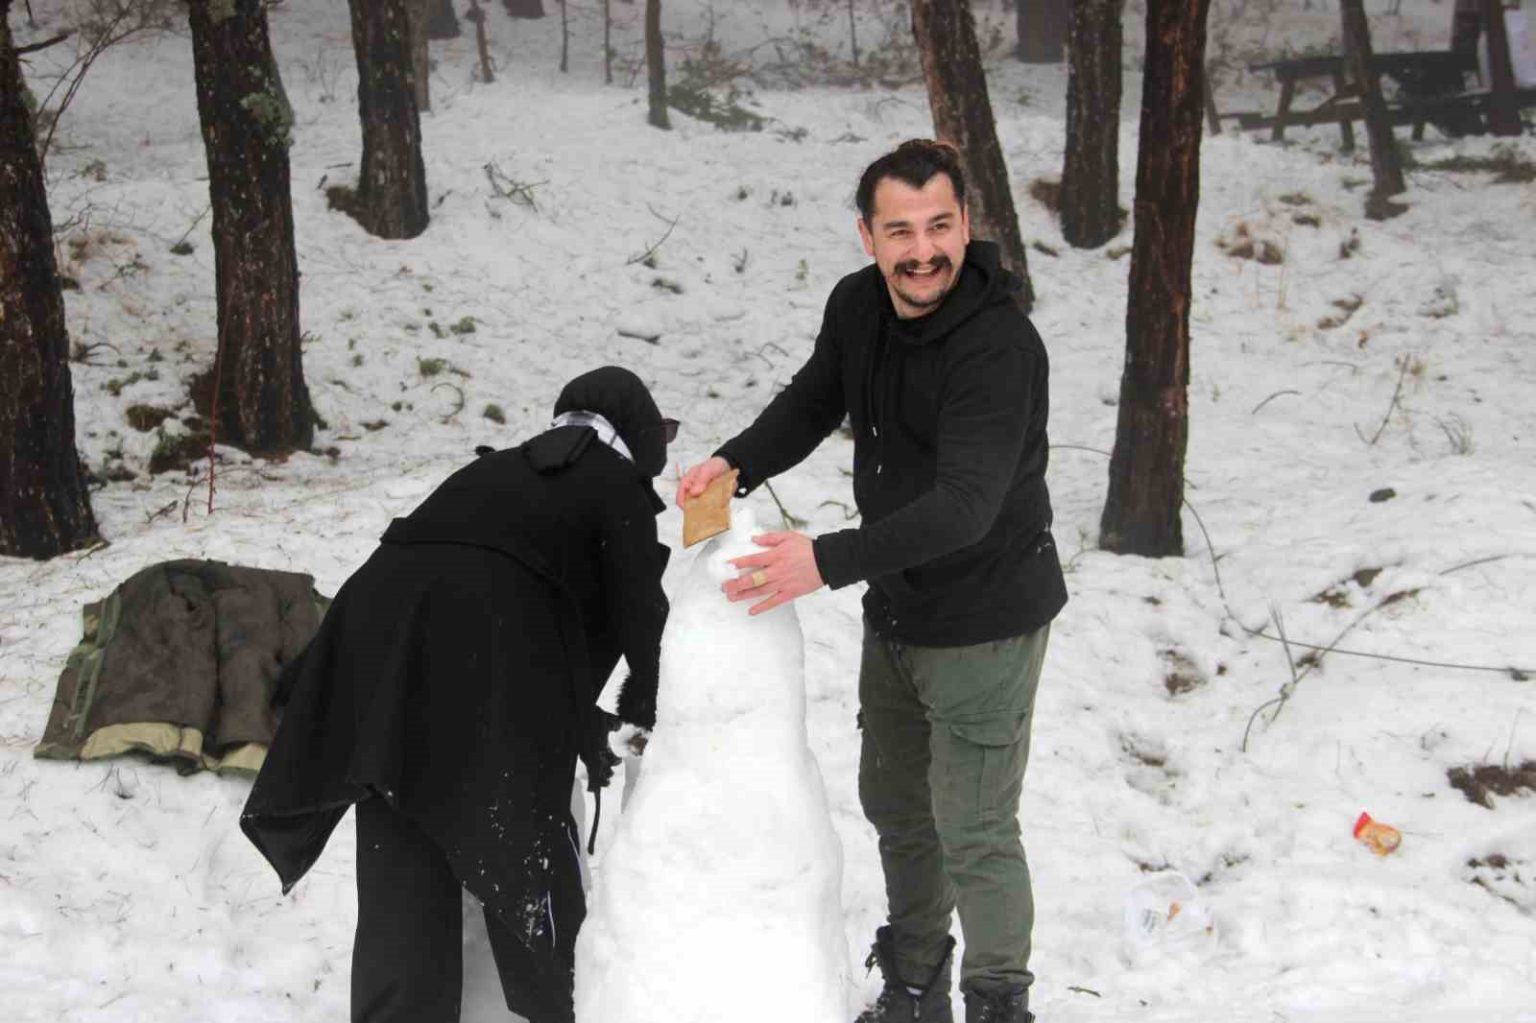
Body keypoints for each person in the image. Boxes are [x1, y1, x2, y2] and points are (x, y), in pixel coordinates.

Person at [676, 140, 1066, 1023]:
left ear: (965, 224)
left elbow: (966, 506)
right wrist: (736, 462)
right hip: (899, 606)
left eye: (939, 226)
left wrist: (825, 560)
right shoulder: (857, 305)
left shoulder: (998, 347)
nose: (923, 251)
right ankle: (915, 988)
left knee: (973, 825)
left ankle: (999, 1005)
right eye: (900, 231)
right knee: (897, 806)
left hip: (987, 616)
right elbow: (816, 399)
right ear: (867, 236)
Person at [242, 366, 674, 1023]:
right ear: (636, 444)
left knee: (405, 815)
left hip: (381, 665)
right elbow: (642, 618)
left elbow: (465, 582)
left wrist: (581, 720)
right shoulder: (618, 485)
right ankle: (565, 1006)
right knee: (522, 849)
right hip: (485, 669)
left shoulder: (489, 471)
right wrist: (649, 706)